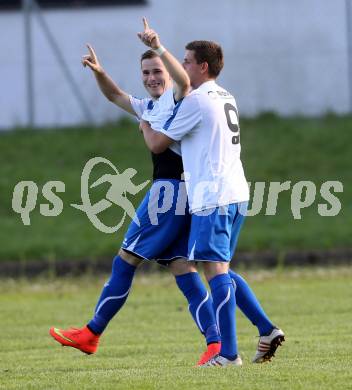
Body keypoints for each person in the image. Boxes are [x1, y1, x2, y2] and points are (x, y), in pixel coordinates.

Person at [49, 19, 223, 366]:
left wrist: (159, 46)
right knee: (181, 267)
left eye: (157, 71)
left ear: (168, 73)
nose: (151, 77)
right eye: (145, 73)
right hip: (185, 196)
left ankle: (92, 333)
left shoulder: (179, 97)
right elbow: (115, 95)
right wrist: (99, 71)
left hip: (168, 193)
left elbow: (185, 81)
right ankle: (215, 343)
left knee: (125, 258)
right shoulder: (150, 106)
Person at [140, 38, 285, 366]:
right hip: (236, 193)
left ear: (202, 66)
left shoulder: (196, 101)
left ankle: (228, 354)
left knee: (216, 272)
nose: (182, 66)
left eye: (187, 61)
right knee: (222, 268)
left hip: (212, 196)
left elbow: (159, 144)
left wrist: (146, 124)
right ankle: (266, 328)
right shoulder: (226, 95)